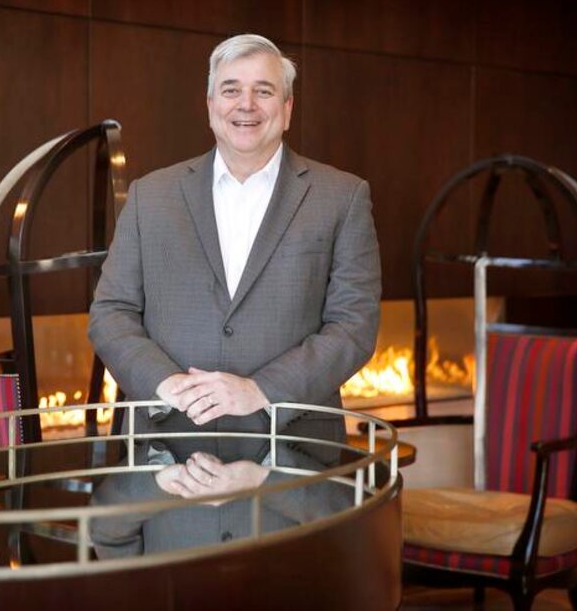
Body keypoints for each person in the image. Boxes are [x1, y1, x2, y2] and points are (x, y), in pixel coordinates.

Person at [88, 33, 380, 503]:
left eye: (263, 90)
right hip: (168, 460)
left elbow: (354, 326)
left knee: (293, 580)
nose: (246, 104)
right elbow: (111, 313)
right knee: (172, 581)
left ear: (286, 109)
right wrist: (168, 385)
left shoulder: (342, 197)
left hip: (295, 462)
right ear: (209, 104)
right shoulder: (150, 196)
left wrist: (260, 391)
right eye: (231, 89)